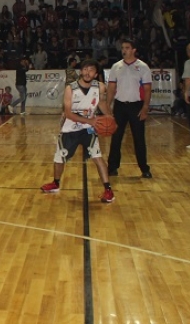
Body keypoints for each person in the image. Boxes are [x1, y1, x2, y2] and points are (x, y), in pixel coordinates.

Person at [40, 60, 115, 203]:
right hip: (70, 128)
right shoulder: (70, 88)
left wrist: (110, 117)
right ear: (81, 71)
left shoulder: (100, 87)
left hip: (88, 130)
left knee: (97, 156)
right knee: (59, 158)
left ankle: (108, 190)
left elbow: (102, 103)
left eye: (91, 70)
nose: (87, 72)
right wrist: (90, 121)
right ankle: (55, 183)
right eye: (85, 69)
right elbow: (68, 114)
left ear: (96, 74)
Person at [106, 39, 152, 178]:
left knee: (139, 138)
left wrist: (145, 108)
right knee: (116, 137)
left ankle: (144, 168)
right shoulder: (116, 66)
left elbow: (148, 89)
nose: (124, 50)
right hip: (120, 106)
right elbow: (111, 88)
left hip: (136, 106)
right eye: (123, 48)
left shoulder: (143, 67)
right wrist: (108, 106)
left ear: (134, 50)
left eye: (127, 47)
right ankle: (112, 167)